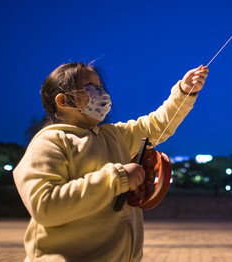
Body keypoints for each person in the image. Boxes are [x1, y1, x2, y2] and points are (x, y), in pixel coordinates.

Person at [13, 62, 209, 262]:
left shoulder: (114, 135)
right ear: (63, 101)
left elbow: (156, 125)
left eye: (100, 87)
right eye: (90, 86)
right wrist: (119, 178)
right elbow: (45, 206)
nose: (101, 93)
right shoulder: (50, 142)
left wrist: (184, 92)